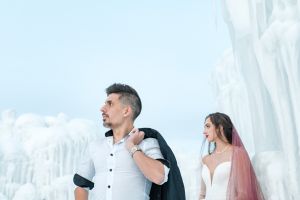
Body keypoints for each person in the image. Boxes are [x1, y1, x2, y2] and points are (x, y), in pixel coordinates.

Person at [73, 83, 185, 200]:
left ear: (126, 111)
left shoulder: (147, 143)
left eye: (109, 104)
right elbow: (81, 186)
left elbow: (159, 177)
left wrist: (131, 146)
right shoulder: (95, 146)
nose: (102, 108)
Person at [199, 112, 264, 200]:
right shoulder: (205, 159)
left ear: (220, 128)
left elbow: (243, 194)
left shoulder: (238, 154)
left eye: (208, 126)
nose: (204, 131)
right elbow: (202, 195)